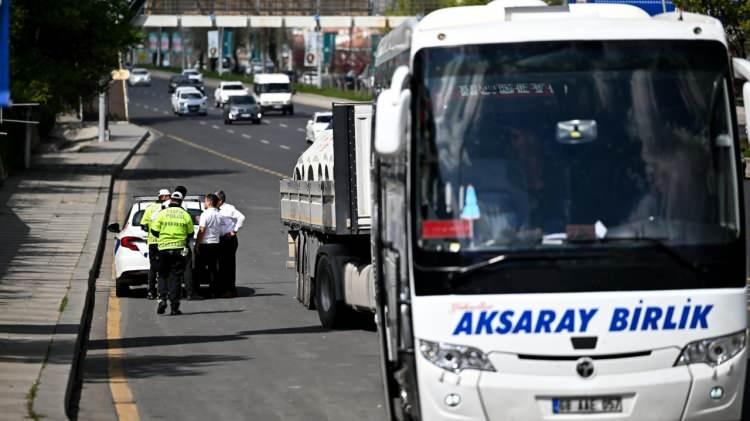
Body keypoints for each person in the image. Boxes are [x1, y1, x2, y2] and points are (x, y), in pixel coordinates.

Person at [151, 191, 194, 315]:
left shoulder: (162, 214)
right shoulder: (185, 215)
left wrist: (164, 237)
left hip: (163, 249)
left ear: (171, 201)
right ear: (180, 202)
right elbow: (191, 233)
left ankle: (162, 300)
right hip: (179, 249)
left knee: (163, 275)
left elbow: (154, 231)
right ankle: (174, 307)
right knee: (175, 277)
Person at [139, 188, 171, 300]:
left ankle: (151, 292)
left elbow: (143, 225)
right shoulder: (168, 208)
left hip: (153, 242)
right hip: (165, 242)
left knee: (153, 268)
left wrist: (150, 228)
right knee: (166, 268)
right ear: (163, 197)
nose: (170, 198)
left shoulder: (150, 208)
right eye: (168, 196)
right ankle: (166, 291)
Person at [216, 190, 245, 298]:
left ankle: (231, 290)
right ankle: (221, 289)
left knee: (228, 265)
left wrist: (234, 231)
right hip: (219, 239)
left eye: (215, 199)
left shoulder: (229, 208)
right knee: (221, 265)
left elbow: (241, 217)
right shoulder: (214, 209)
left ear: (220, 200)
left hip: (228, 239)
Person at [196, 193, 223, 297]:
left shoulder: (205, 214)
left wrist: (197, 244)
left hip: (205, 244)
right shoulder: (219, 214)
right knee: (213, 268)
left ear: (210, 202)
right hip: (216, 243)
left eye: (205, 201)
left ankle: (197, 291)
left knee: (200, 268)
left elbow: (202, 230)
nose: (204, 203)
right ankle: (214, 291)